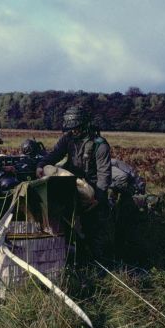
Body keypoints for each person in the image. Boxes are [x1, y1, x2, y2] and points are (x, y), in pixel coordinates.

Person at [36, 105, 112, 260]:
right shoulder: (68, 138)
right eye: (71, 129)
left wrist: (98, 197)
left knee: (93, 227)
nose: (73, 131)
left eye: (76, 128)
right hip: (71, 184)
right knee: (66, 222)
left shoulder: (100, 145)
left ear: (84, 125)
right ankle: (72, 256)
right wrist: (41, 165)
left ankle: (97, 261)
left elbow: (104, 175)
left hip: (93, 187)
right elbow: (55, 154)